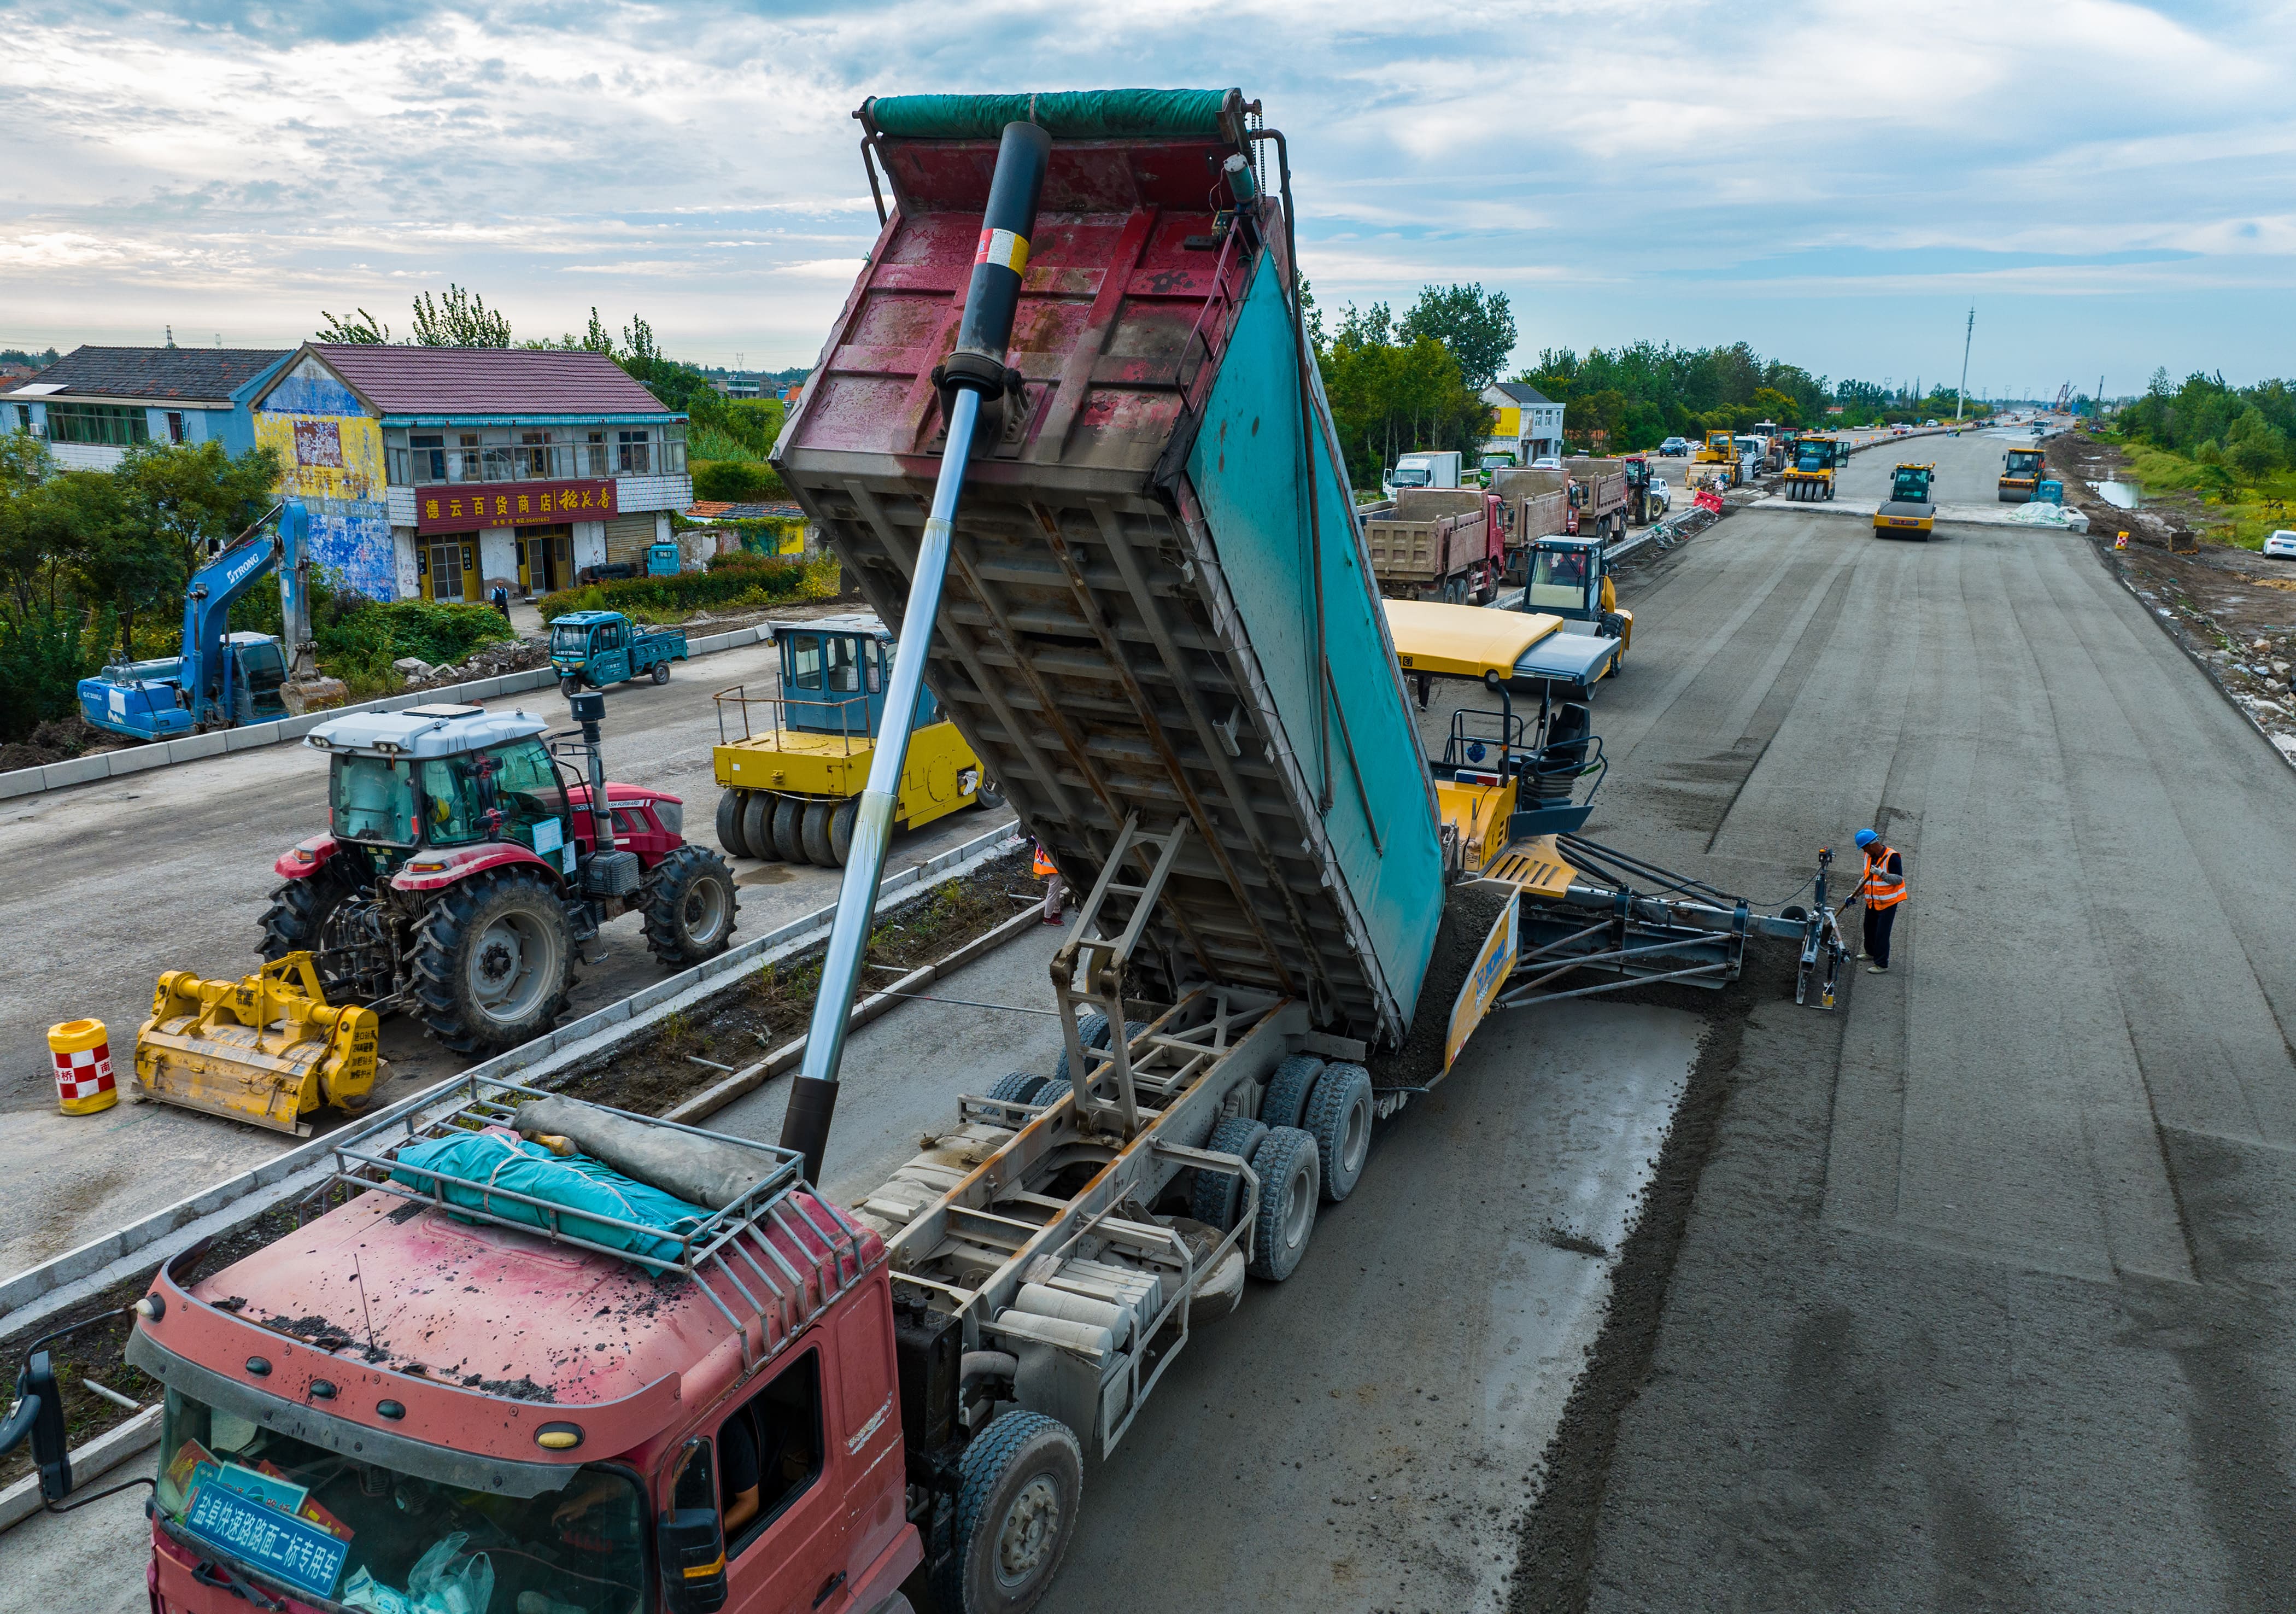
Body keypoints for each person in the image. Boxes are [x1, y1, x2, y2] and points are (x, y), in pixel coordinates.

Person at [1849, 827, 1906, 973]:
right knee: (1869, 928)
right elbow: (1866, 878)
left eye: (1864, 848)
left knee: (1882, 933)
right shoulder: (1869, 857)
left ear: (1871, 845)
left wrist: (1882, 874)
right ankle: (1871, 953)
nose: (1864, 852)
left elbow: (1898, 880)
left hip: (1888, 902)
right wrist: (1855, 895)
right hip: (1873, 900)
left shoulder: (1892, 857)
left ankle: (1881, 964)